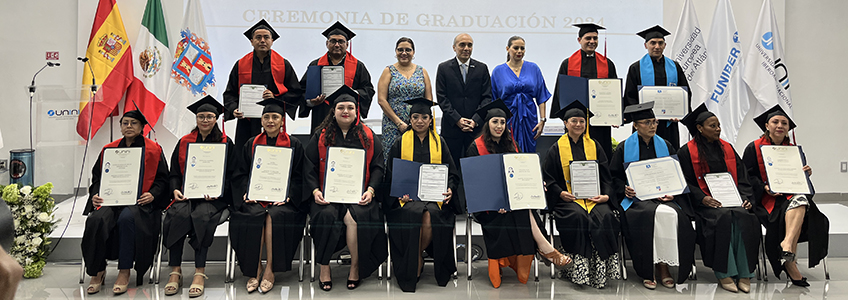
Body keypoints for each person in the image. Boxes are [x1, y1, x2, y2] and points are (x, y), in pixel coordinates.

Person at [466, 100, 571, 288]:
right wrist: (495, 203)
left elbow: (524, 173)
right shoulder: (475, 147)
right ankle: (545, 248)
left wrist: (537, 184)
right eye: (495, 122)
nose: (499, 126)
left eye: (502, 122)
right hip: (489, 207)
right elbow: (475, 184)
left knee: (523, 210)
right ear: (487, 124)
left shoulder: (512, 144)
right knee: (524, 212)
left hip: (513, 202)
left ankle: (544, 249)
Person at [306, 86, 388, 291]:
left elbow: (378, 168)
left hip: (359, 196)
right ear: (333, 111)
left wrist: (370, 191)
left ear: (356, 111)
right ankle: (324, 267)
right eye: (341, 107)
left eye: (350, 107)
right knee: (325, 216)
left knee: (354, 217)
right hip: (327, 196)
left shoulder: (368, 136)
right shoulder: (320, 136)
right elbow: (309, 167)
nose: (345, 111)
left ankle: (355, 266)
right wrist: (315, 191)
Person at [81, 110, 170, 295]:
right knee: (97, 220)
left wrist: (153, 194)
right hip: (111, 200)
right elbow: (97, 177)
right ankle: (97, 271)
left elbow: (163, 179)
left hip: (139, 203)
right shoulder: (109, 149)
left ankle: (124, 270)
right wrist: (96, 194)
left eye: (133, 123)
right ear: (120, 127)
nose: (128, 126)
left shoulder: (153, 150)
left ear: (142, 127)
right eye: (125, 123)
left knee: (127, 219)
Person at [609, 102, 696, 290]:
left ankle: (664, 265)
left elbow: (677, 174)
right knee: (651, 215)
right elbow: (614, 177)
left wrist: (674, 193)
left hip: (664, 197)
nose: (653, 126)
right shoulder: (625, 147)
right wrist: (624, 189)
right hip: (636, 201)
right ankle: (650, 269)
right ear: (636, 125)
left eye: (655, 122)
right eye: (647, 122)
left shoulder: (666, 145)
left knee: (673, 214)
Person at [742, 105, 829, 287]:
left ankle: (787, 247)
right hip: (766, 199)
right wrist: (764, 187)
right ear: (767, 125)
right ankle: (790, 259)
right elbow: (746, 176)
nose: (779, 125)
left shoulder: (793, 150)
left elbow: (799, 180)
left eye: (784, 123)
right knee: (798, 205)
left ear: (788, 128)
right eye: (775, 122)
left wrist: (805, 173)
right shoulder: (754, 148)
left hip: (790, 195)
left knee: (803, 204)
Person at [229, 98, 310, 294]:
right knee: (252, 215)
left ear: (282, 120)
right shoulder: (251, 143)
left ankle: (270, 269)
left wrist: (289, 195)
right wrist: (246, 193)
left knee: (274, 215)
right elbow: (240, 173)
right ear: (261, 121)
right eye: (266, 117)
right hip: (255, 197)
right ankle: (254, 269)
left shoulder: (295, 144)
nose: (271, 121)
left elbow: (301, 176)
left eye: (275, 117)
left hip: (283, 200)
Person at [678, 103, 760, 293]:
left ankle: (745, 272)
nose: (718, 129)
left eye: (718, 125)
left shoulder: (728, 148)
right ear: (700, 128)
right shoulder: (686, 151)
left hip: (733, 199)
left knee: (745, 216)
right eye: (713, 126)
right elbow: (684, 181)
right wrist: (702, 198)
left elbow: (742, 177)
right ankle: (725, 272)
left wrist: (746, 197)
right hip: (706, 204)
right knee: (723, 218)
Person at [383, 98, 461, 292]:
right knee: (415, 212)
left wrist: (450, 188)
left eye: (424, 117)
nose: (419, 121)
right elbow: (391, 174)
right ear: (409, 119)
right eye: (415, 117)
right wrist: (399, 194)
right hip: (406, 200)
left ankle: (415, 257)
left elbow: (452, 173)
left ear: (430, 119)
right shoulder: (400, 143)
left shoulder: (439, 142)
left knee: (429, 214)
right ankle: (416, 258)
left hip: (434, 198)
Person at [542, 101, 620, 288]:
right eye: (574, 121)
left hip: (594, 198)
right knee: (577, 216)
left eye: (582, 121)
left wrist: (606, 196)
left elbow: (606, 177)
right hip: (568, 200)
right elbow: (548, 178)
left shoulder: (595, 146)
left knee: (606, 215)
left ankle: (600, 272)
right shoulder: (556, 148)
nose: (578, 125)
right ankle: (578, 271)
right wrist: (560, 193)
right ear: (566, 124)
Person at [163, 96, 235, 297]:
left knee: (203, 217)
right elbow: (174, 172)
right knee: (177, 215)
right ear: (195, 119)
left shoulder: (225, 143)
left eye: (209, 116)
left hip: (213, 198)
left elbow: (233, 175)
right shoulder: (184, 142)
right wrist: (175, 189)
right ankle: (175, 270)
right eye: (201, 116)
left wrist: (220, 191)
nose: (205, 120)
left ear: (215, 119)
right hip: (186, 195)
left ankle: (199, 272)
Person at [223, 19, 302, 153]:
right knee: (244, 155)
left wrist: (275, 97)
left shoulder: (283, 64)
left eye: (266, 37)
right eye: (258, 37)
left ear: (272, 41)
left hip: (273, 121)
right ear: (252, 41)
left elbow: (296, 92)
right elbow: (230, 93)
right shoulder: (240, 64)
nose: (262, 41)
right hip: (246, 121)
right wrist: (234, 108)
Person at [551, 23, 619, 159]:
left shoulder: (608, 64)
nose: (592, 42)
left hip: (600, 122)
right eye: (588, 38)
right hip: (576, 121)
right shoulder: (568, 64)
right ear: (579, 40)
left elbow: (614, 92)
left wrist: (615, 114)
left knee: (601, 154)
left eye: (595, 38)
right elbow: (560, 91)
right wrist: (566, 117)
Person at [299, 22, 375, 134]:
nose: (337, 45)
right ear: (327, 43)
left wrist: (352, 93)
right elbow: (302, 90)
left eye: (341, 41)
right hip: (322, 113)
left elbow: (368, 90)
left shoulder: (358, 66)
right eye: (333, 41)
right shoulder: (315, 65)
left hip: (347, 115)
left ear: (347, 45)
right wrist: (311, 101)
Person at [623, 25, 690, 149]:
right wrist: (641, 117)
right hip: (644, 124)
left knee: (669, 153)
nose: (657, 47)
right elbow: (630, 96)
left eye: (660, 43)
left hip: (669, 124)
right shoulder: (636, 68)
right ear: (646, 45)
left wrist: (680, 112)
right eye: (653, 43)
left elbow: (685, 93)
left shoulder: (675, 67)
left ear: (665, 45)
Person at [436, 33, 493, 167]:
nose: (466, 48)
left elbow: (487, 97)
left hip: (475, 130)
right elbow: (442, 97)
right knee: (451, 169)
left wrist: (475, 120)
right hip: (451, 129)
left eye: (469, 45)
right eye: (462, 45)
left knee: (476, 169)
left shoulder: (482, 68)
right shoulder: (443, 68)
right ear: (454, 47)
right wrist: (457, 119)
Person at [491, 36, 551, 153]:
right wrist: (499, 123)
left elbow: (541, 95)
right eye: (516, 48)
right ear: (508, 49)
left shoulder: (533, 68)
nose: (519, 51)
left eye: (522, 48)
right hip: (507, 118)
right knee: (508, 148)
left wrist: (542, 120)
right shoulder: (498, 71)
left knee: (529, 150)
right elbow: (494, 101)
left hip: (529, 116)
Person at [378, 37, 433, 161]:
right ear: (395, 52)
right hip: (392, 124)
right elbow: (381, 100)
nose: (404, 53)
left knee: (417, 158)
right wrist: (399, 123)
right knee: (392, 159)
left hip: (419, 125)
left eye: (408, 50)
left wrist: (422, 121)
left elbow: (428, 99)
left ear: (413, 53)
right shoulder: (388, 71)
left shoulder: (422, 71)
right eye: (400, 50)